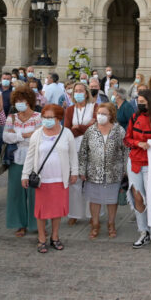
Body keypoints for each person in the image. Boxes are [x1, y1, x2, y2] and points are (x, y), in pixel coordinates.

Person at [21, 104, 78, 254]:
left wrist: (75, 172)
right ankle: (41, 238)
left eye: (50, 117)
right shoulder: (37, 134)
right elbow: (30, 156)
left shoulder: (67, 133)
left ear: (58, 118)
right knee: (42, 211)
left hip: (60, 178)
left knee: (57, 210)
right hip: (42, 179)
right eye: (44, 117)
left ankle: (55, 236)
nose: (47, 120)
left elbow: (73, 155)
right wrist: (25, 175)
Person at [124, 89, 151, 252]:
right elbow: (127, 139)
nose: (140, 104)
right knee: (138, 198)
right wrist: (138, 143)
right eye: (138, 101)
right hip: (135, 162)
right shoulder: (134, 117)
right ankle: (143, 231)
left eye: (143, 101)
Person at [79, 102, 126, 239]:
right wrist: (82, 170)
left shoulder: (119, 130)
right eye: (99, 113)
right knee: (95, 200)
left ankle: (111, 224)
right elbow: (83, 151)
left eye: (104, 114)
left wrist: (125, 169)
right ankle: (95, 225)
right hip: (93, 172)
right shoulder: (91, 130)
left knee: (112, 200)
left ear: (111, 115)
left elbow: (126, 150)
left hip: (114, 172)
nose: (100, 116)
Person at [2, 86, 41, 237]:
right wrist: (25, 135)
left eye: (22, 100)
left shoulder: (38, 117)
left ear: (29, 101)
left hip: (34, 159)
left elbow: (38, 137)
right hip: (16, 158)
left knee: (34, 191)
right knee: (16, 192)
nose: (19, 103)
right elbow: (6, 137)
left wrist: (17, 134)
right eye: (17, 100)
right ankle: (19, 224)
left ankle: (35, 223)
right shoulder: (11, 117)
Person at [63, 82, 95, 226]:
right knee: (74, 181)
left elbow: (95, 128)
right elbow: (67, 130)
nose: (78, 93)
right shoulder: (70, 109)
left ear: (86, 93)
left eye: (81, 90)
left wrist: (79, 128)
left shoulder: (94, 107)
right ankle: (74, 213)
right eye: (76, 91)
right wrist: (85, 127)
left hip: (90, 147)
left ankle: (92, 213)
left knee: (90, 180)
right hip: (74, 147)